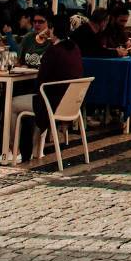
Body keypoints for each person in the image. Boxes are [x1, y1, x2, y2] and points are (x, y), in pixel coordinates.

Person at [14, 14, 84, 164]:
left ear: (51, 29)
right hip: (70, 103)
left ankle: (12, 150)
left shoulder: (53, 51)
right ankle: (34, 150)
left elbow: (40, 81)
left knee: (12, 104)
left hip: (51, 104)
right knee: (34, 99)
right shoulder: (75, 48)